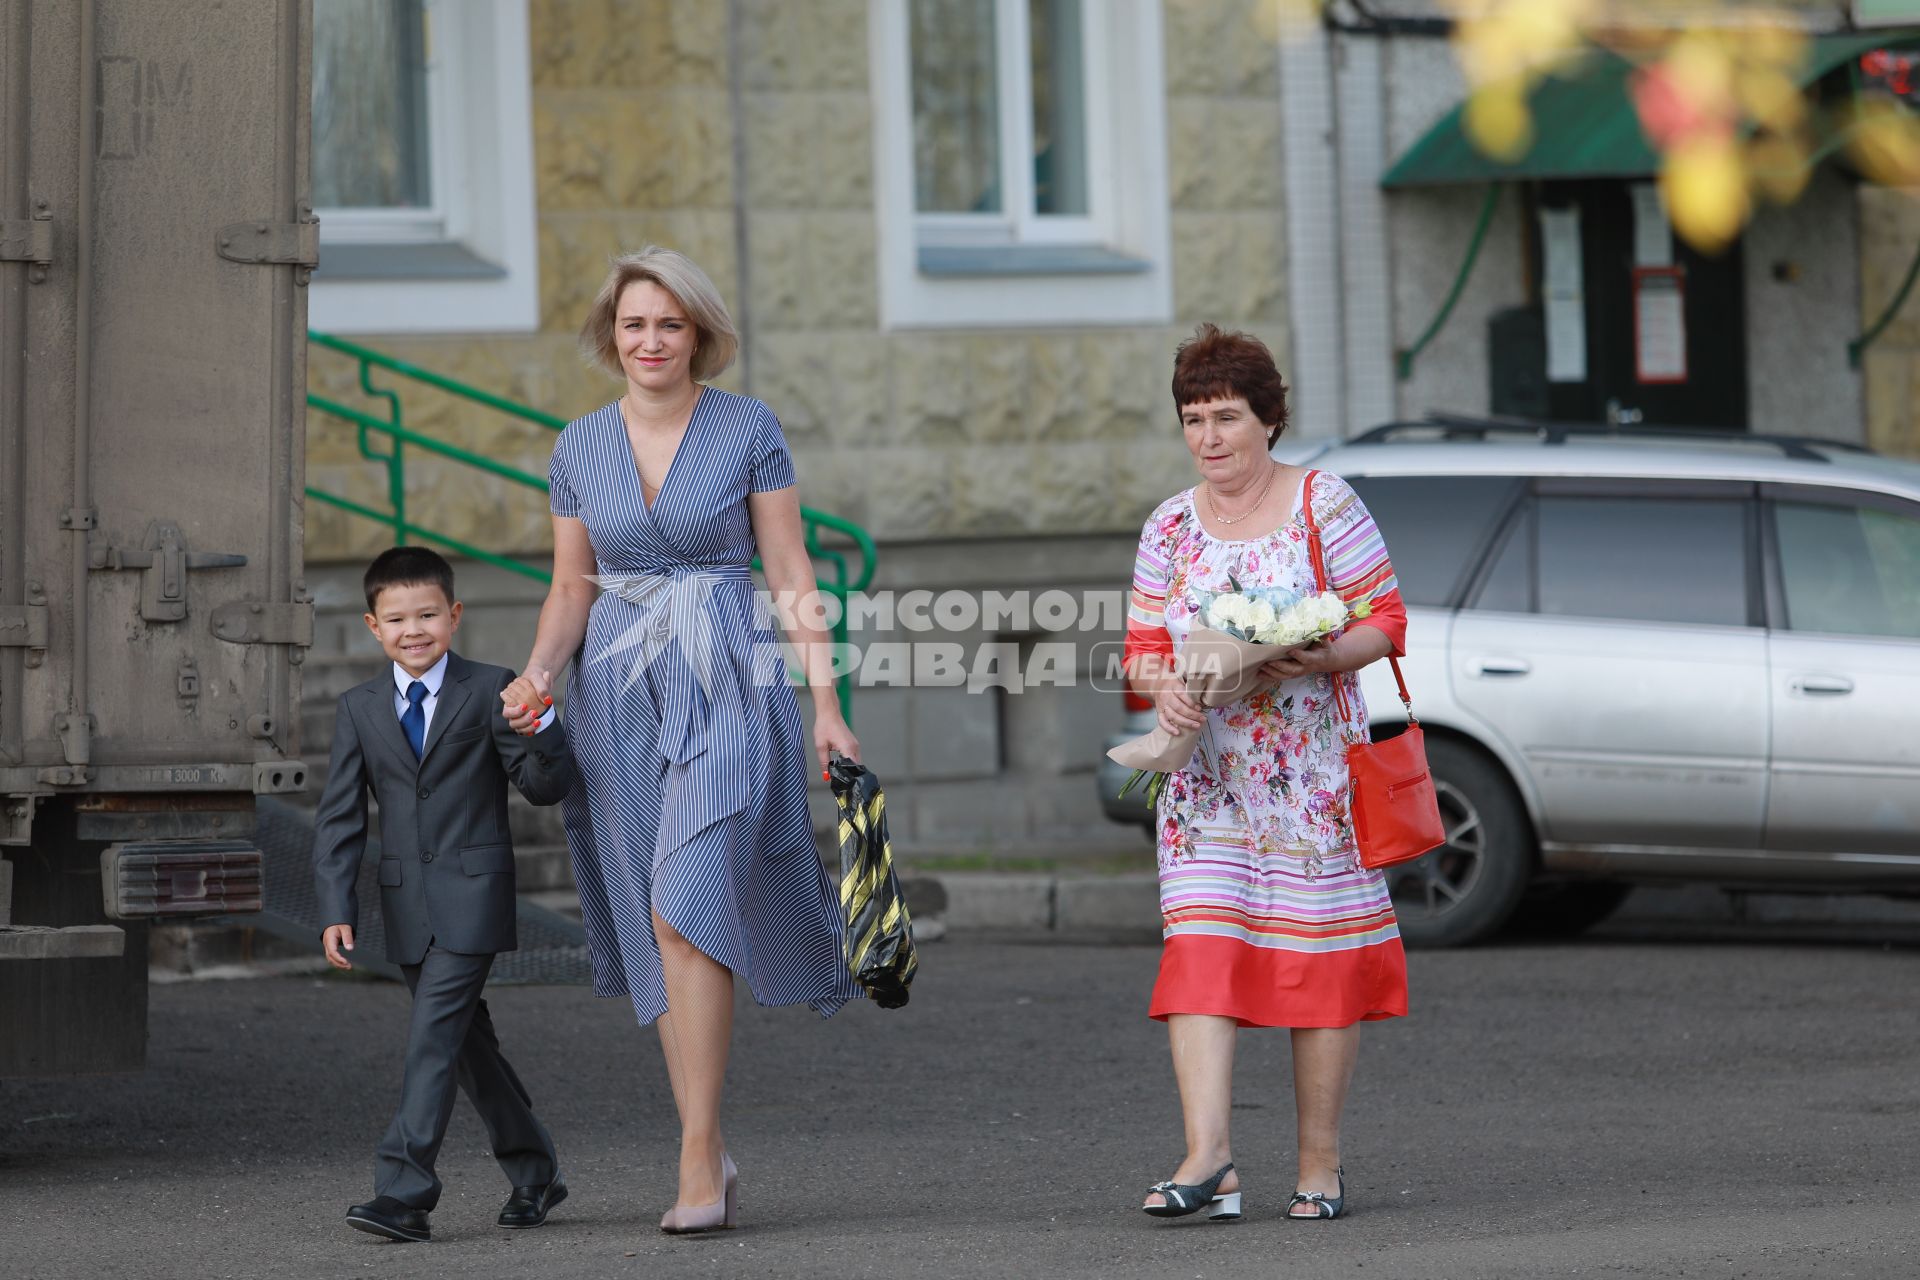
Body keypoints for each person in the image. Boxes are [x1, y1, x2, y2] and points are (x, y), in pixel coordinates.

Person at [500, 246, 861, 1234]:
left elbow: (789, 568)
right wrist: (537, 675)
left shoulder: (747, 426)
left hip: (727, 677)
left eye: (669, 324)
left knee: (686, 900)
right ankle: (707, 1140)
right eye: (633, 325)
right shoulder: (578, 443)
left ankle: (698, 1152)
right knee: (653, 916)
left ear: (698, 333)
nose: (650, 341)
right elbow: (572, 582)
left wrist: (825, 702)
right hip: (615, 688)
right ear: (610, 336)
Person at [1124, 324, 1409, 1223]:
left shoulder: (1325, 504)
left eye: (1226, 416)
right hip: (1204, 783)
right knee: (1202, 954)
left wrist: (1323, 657)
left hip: (1309, 781)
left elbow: (1386, 620)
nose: (1209, 437)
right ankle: (1210, 1159)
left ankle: (1318, 1165)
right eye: (1193, 418)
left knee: (1315, 970)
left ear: (1268, 419)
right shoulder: (1169, 524)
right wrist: (1165, 691)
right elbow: (1139, 651)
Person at [312, 545, 575, 1244]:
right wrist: (335, 907)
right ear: (373, 626)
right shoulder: (359, 708)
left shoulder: (491, 688)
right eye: (396, 618)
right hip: (405, 907)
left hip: (473, 899)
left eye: (428, 613)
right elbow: (340, 817)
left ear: (454, 615)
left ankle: (403, 1192)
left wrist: (542, 723)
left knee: (432, 1038)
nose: (414, 629)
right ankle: (536, 1172)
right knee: (464, 1048)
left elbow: (545, 788)